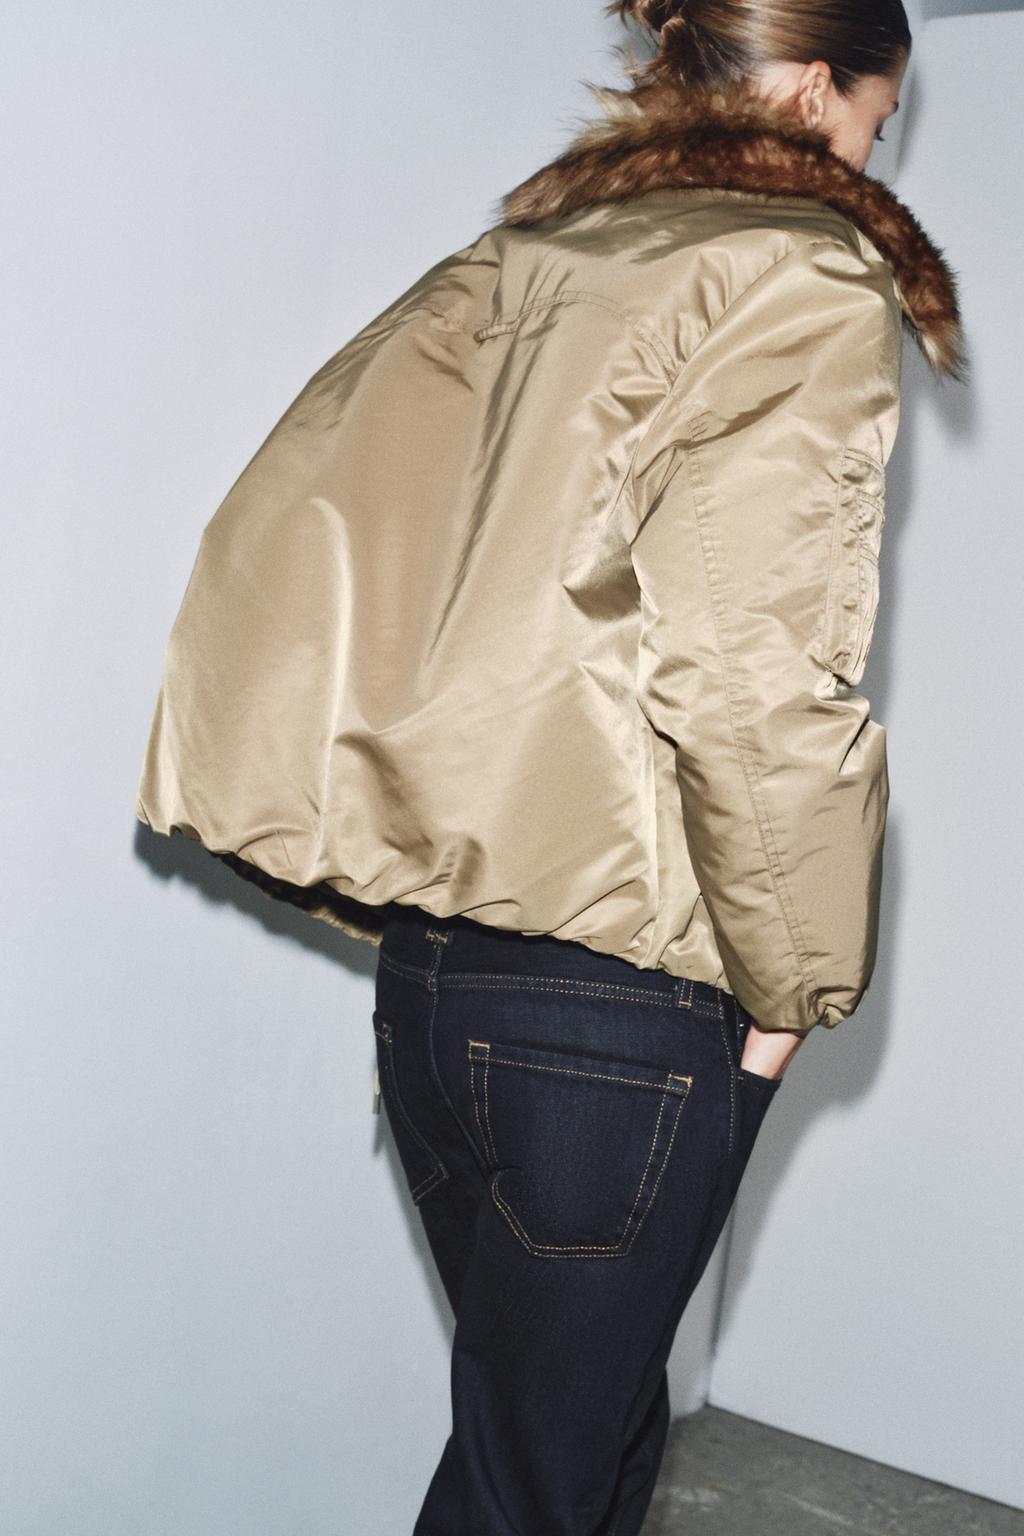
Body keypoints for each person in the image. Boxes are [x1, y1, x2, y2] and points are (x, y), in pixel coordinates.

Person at [135, 1, 966, 1530]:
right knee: (538, 1486)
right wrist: (797, 993)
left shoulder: (519, 264)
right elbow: (754, 674)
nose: (872, 153)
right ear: (807, 89)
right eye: (876, 115)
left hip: (442, 986)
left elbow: (336, 540)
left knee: (573, 1450)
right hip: (621, 1010)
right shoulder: (798, 272)